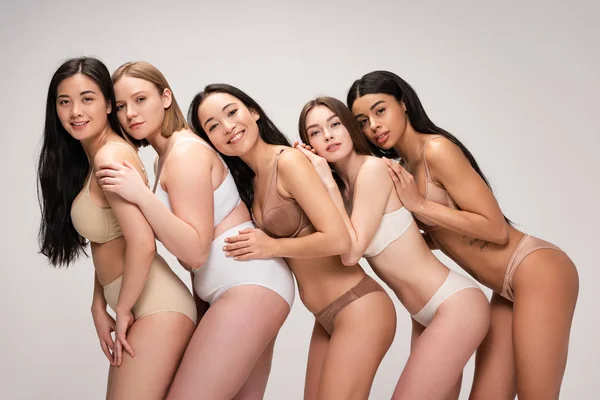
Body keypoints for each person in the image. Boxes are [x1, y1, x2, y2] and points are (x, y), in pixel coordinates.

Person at [348, 70, 579, 399]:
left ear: (403, 104)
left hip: (537, 270)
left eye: (380, 110)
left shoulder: (437, 150)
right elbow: (439, 234)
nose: (374, 126)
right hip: (503, 290)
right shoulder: (403, 168)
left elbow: (495, 229)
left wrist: (419, 205)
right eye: (362, 121)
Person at [95, 61, 294, 400]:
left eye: (140, 99)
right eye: (122, 106)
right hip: (240, 289)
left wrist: (142, 195)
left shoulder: (185, 153)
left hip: (248, 286)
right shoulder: (165, 157)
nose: (131, 114)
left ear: (166, 97)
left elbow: (195, 250)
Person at [189, 84, 396, 399]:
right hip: (325, 316)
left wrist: (272, 246)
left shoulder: (287, 161)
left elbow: (339, 239)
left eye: (232, 112)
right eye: (213, 126)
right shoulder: (250, 182)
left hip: (359, 306)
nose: (227, 127)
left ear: (253, 112)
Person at [37, 57, 196, 400]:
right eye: (64, 102)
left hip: (156, 306)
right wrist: (98, 304)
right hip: (138, 300)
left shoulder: (110, 157)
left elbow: (143, 243)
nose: (75, 111)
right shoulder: (95, 159)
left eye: (87, 98)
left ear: (108, 104)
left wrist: (121, 308)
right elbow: (111, 238)